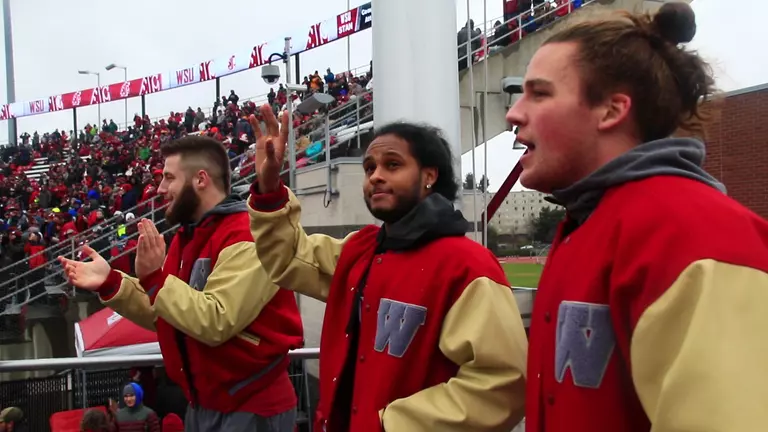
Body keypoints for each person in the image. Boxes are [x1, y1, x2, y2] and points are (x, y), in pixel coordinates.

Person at [505, 2, 768, 431]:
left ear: (611, 110)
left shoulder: (697, 235)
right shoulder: (586, 224)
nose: (514, 113)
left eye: (540, 93)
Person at [246, 105, 528, 431]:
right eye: (369, 168)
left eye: (392, 165)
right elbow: (290, 257)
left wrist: (389, 425)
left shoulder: (467, 265)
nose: (376, 175)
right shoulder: (359, 250)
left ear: (429, 176)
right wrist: (269, 189)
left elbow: (504, 381)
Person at [59, 135, 304, 431]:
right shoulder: (188, 238)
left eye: (169, 178)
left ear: (200, 179)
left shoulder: (247, 234)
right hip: (205, 404)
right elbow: (167, 313)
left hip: (251, 409)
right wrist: (110, 282)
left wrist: (154, 278)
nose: (160, 189)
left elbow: (216, 319)